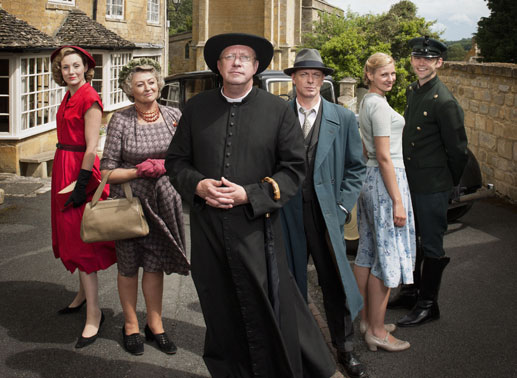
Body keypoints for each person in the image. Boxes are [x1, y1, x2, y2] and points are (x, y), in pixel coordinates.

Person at [165, 33, 338, 378]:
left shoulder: (276, 111)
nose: (237, 62)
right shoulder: (197, 108)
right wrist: (197, 185)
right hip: (208, 229)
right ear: (219, 65)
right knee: (219, 309)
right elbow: (176, 162)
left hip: (257, 230)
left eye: (245, 57)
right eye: (230, 56)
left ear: (256, 67)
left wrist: (250, 195)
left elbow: (293, 170)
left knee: (266, 306)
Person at [280, 48, 366, 378]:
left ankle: (345, 349)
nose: (312, 80)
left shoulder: (342, 118)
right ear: (294, 78)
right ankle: (301, 350)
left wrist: (344, 205)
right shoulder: (280, 116)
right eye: (305, 74)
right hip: (288, 214)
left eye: (317, 75)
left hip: (326, 214)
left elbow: (356, 168)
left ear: (323, 80)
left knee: (334, 283)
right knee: (292, 284)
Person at [100, 58, 190, 355]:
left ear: (159, 84)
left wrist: (165, 165)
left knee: (155, 266)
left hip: (164, 201)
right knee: (128, 266)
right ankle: (130, 325)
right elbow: (107, 171)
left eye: (151, 82)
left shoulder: (174, 115)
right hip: (130, 204)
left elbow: (186, 158)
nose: (147, 87)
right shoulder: (120, 120)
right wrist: (140, 171)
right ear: (130, 89)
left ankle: (155, 324)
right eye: (140, 84)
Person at [391, 36, 468, 327]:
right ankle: (411, 292)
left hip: (432, 185)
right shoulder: (414, 90)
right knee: (412, 239)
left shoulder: (444, 101)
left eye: (428, 59)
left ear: (439, 62)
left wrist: (448, 185)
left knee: (433, 244)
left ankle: (428, 303)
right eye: (416, 57)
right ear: (412, 60)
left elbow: (458, 150)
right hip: (411, 181)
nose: (421, 62)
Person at [50, 45, 116, 348]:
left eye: (76, 66)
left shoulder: (90, 97)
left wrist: (81, 185)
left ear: (86, 68)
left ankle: (94, 313)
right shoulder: (68, 95)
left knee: (83, 242)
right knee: (69, 235)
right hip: (62, 167)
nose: (71, 71)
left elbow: (92, 147)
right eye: (65, 67)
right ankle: (81, 295)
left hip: (79, 171)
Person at [353, 52, 415, 352]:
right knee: (386, 255)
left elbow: (366, 150)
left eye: (392, 73)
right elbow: (382, 156)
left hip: (371, 180)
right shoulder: (377, 106)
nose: (390, 78)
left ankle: (367, 320)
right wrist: (398, 202)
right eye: (384, 74)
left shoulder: (366, 101)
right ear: (370, 75)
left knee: (367, 251)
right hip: (385, 181)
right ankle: (377, 331)